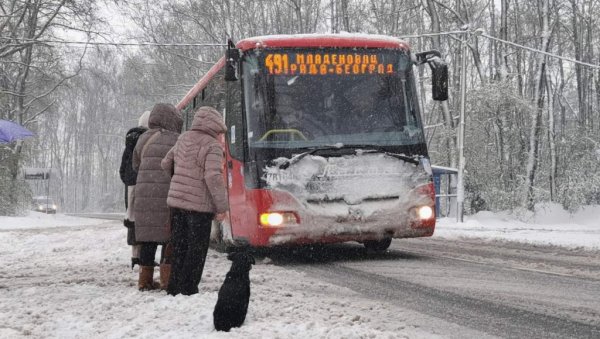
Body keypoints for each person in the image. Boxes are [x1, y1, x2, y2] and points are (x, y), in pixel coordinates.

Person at [161, 106, 229, 296]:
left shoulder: (183, 138)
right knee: (196, 250)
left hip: (176, 205)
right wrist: (222, 207)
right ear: (216, 127)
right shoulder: (213, 146)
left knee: (179, 246)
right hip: (199, 209)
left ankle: (174, 288)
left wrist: (178, 180)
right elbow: (213, 177)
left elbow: (165, 163)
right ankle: (188, 289)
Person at [132, 103, 183, 291]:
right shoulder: (176, 140)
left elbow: (136, 165)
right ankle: (166, 280)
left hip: (144, 195)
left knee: (147, 239)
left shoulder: (143, 138)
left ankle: (144, 281)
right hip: (167, 195)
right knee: (168, 237)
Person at [119, 110, 149, 269]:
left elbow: (122, 169)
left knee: (132, 220)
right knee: (145, 221)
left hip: (130, 187)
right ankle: (143, 258)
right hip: (144, 186)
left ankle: (134, 256)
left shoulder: (129, 142)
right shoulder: (148, 140)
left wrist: (129, 182)